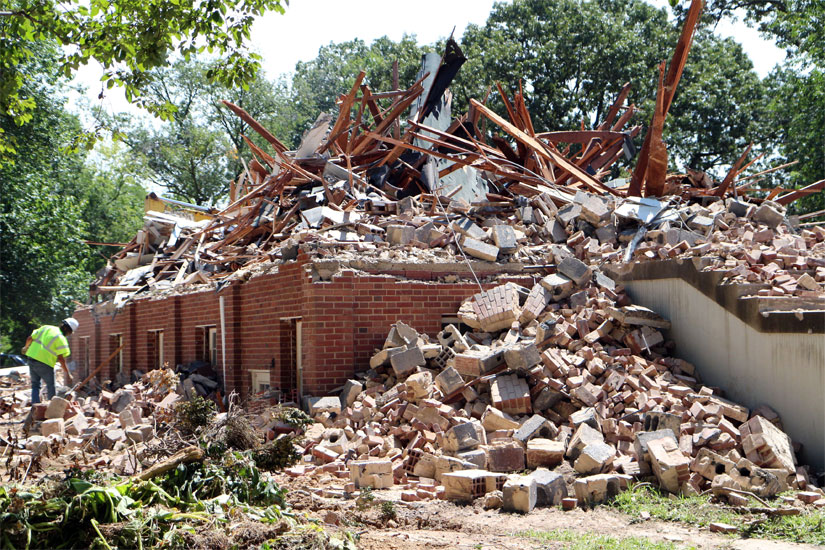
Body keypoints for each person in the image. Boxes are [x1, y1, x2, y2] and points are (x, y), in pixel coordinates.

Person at [22, 318, 77, 404]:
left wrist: (25, 347)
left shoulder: (46, 327)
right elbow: (61, 358)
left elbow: (30, 338)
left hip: (31, 358)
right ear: (67, 329)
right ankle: (51, 406)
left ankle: (35, 406)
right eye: (70, 333)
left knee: (35, 385)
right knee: (51, 386)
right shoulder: (61, 339)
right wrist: (67, 373)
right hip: (45, 363)